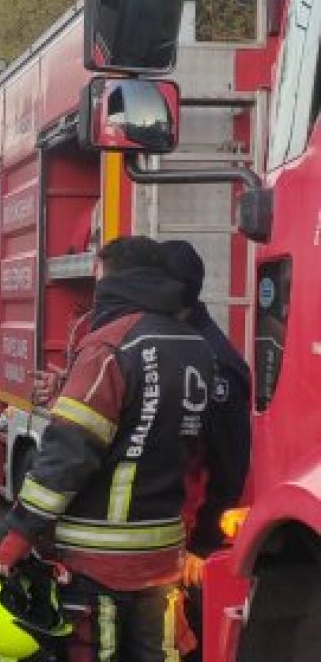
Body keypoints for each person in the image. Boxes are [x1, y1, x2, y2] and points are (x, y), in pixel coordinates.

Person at [0, 236, 217, 661]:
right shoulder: (195, 347)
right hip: (163, 557)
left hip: (98, 564)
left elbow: (69, 451)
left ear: (112, 276)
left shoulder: (109, 345)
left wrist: (21, 531)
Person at [161, 240, 252, 662]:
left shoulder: (215, 363)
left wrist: (203, 544)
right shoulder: (181, 343)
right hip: (172, 536)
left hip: (193, 541)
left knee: (188, 640)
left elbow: (229, 463)